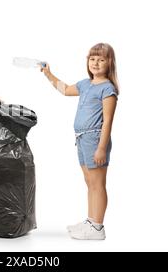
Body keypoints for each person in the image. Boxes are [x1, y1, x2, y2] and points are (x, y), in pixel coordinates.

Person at [40, 43, 119, 240]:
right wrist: (49, 74)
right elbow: (66, 90)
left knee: (98, 183)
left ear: (110, 63)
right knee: (89, 182)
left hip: (95, 138)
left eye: (101, 59)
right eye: (92, 59)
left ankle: (98, 227)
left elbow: (108, 121)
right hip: (81, 139)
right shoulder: (85, 84)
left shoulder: (108, 89)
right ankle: (91, 221)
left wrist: (101, 147)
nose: (96, 63)